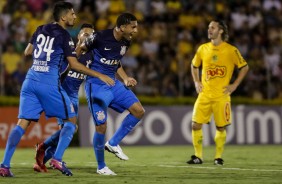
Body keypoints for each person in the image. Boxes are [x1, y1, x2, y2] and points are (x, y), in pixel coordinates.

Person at [0, 1, 114, 177]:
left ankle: (5, 166)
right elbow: (74, 64)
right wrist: (100, 75)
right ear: (63, 17)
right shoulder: (64, 36)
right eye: (72, 14)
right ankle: (57, 159)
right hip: (48, 83)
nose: (75, 16)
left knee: (22, 124)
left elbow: (27, 52)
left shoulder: (39, 29)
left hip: (30, 81)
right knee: (71, 121)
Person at [77, 13, 145, 175]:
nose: (136, 30)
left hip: (113, 84)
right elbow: (79, 49)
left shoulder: (126, 40)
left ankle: (113, 143)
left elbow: (115, 61)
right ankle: (101, 167)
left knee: (139, 111)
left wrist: (125, 78)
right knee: (101, 126)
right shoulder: (99, 37)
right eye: (133, 27)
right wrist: (71, 70)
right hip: (96, 84)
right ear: (122, 27)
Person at [32, 23, 95, 173]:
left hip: (73, 95)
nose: (88, 37)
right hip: (60, 93)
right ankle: (54, 158)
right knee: (69, 127)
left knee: (70, 129)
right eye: (85, 34)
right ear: (79, 35)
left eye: (91, 35)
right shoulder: (67, 49)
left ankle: (42, 157)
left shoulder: (92, 56)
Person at [186, 20, 249, 166]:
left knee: (220, 127)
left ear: (220, 31)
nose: (209, 30)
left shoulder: (231, 50)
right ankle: (198, 156)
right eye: (208, 27)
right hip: (205, 94)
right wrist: (196, 81)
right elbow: (194, 66)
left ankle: (218, 157)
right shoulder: (202, 49)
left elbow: (244, 67)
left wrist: (234, 85)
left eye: (212, 28)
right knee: (195, 125)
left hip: (222, 95)